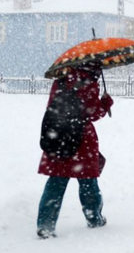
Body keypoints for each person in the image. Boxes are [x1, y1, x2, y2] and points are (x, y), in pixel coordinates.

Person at [36, 66, 113, 239]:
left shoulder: (61, 79)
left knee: (56, 182)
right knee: (88, 182)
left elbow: (53, 105)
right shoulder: (89, 82)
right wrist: (105, 103)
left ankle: (45, 225)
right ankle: (94, 218)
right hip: (81, 139)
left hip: (59, 135)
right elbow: (92, 113)